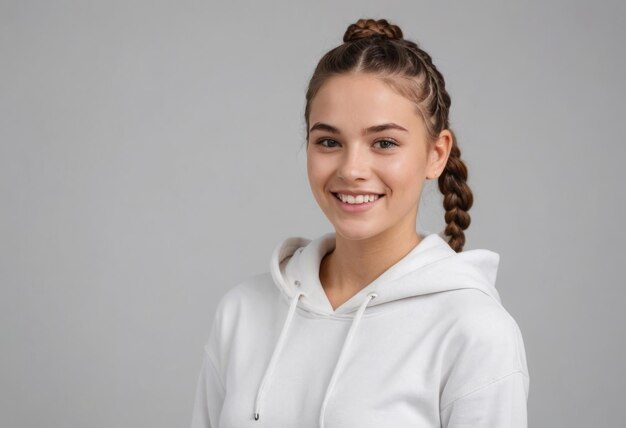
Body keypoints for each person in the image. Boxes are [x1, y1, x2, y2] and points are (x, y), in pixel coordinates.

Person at [190, 18, 529, 428]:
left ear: (436, 154)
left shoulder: (474, 331)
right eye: (328, 142)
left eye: (384, 143)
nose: (352, 169)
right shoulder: (243, 311)